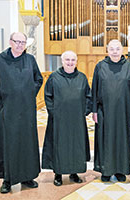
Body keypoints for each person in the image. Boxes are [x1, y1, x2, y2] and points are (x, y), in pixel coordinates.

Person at [0, 32, 43, 193]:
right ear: (10, 42)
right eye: (17, 41)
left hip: (26, 109)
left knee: (27, 142)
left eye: (23, 42)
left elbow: (38, 79)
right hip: (9, 109)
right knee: (9, 143)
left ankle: (28, 177)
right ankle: (7, 179)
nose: (20, 45)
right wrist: (3, 94)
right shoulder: (0, 60)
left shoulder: (30, 60)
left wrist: (30, 92)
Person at [42, 51, 92, 186]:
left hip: (77, 119)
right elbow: (48, 96)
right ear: (62, 61)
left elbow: (88, 96)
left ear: (76, 61)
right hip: (59, 119)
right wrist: (54, 113)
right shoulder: (54, 77)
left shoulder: (82, 77)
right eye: (67, 60)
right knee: (59, 145)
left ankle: (74, 172)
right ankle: (58, 174)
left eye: (73, 60)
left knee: (76, 146)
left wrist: (84, 111)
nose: (70, 62)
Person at [92, 39, 130, 182]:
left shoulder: (129, 66)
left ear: (122, 50)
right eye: (112, 49)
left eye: (117, 49)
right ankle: (106, 170)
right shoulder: (100, 66)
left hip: (124, 110)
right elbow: (94, 89)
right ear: (107, 50)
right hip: (104, 110)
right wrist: (94, 110)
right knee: (105, 139)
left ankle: (121, 170)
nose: (115, 51)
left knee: (122, 139)